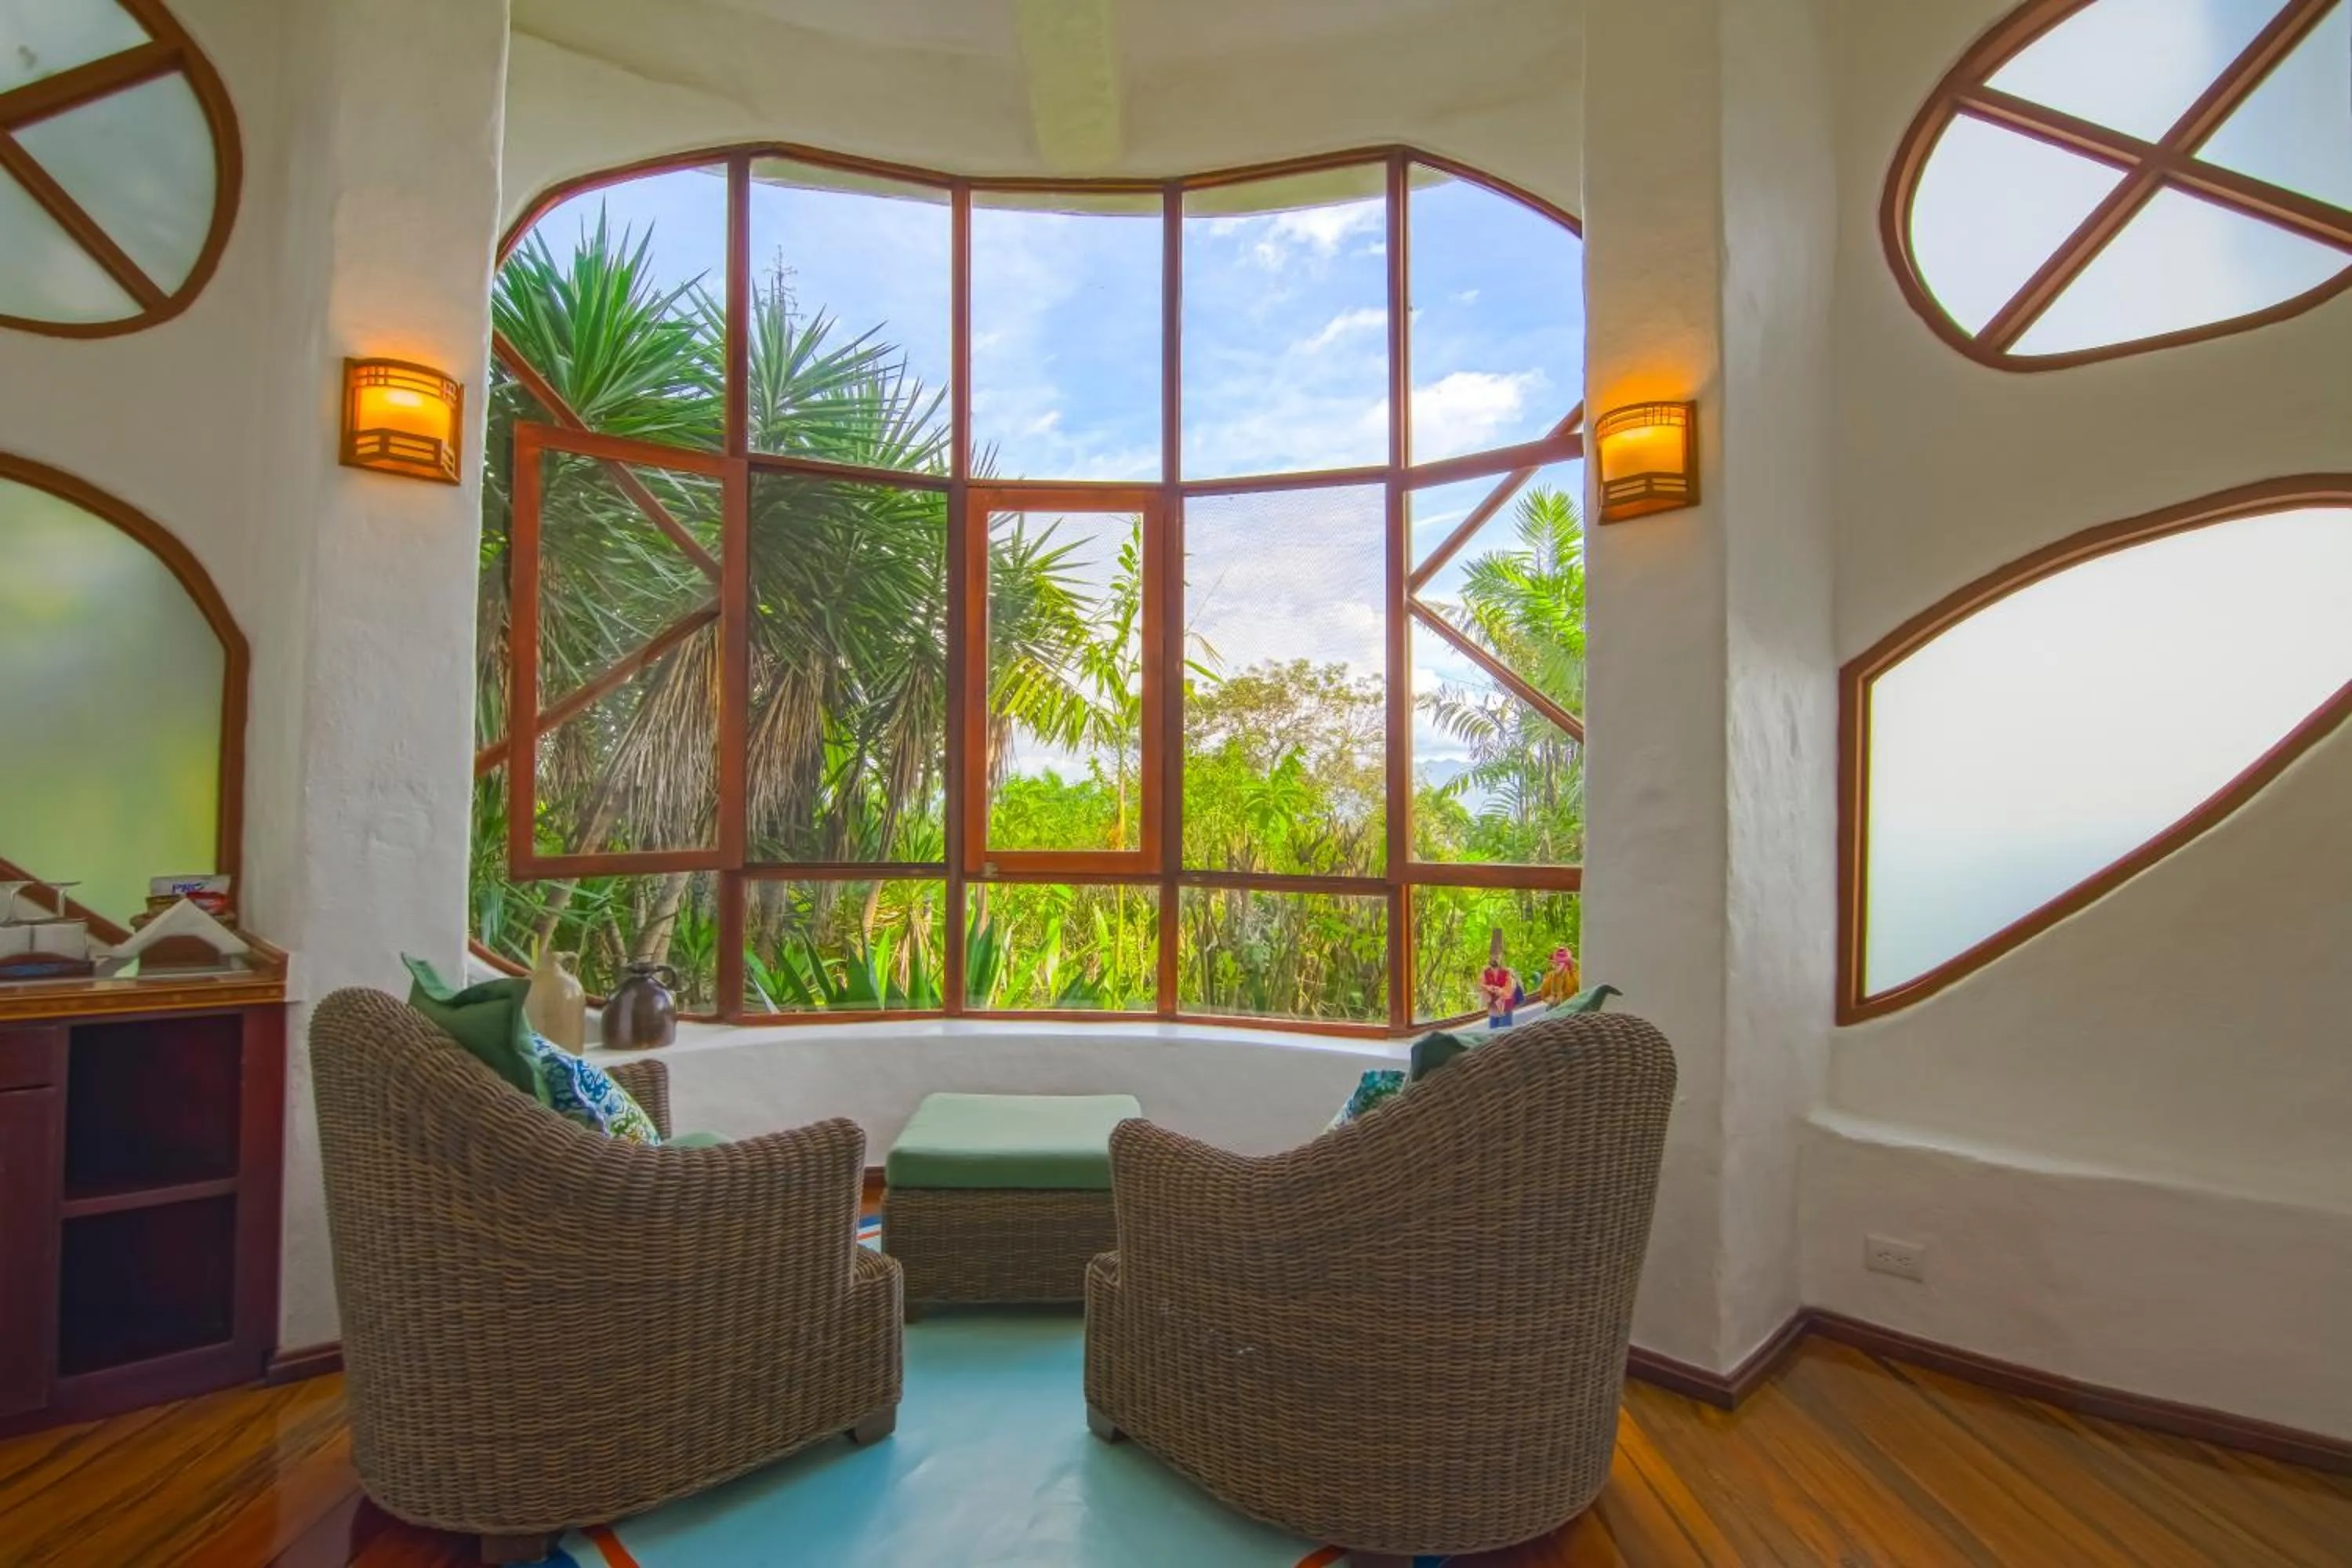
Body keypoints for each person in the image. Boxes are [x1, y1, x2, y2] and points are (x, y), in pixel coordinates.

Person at [1479, 927, 1520, 1029]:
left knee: (1504, 1032)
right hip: (1493, 1008)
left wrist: (1501, 991)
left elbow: (1510, 990)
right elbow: (1480, 985)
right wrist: (1488, 988)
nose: (1494, 958)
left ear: (1501, 956)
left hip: (1505, 1008)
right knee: (1493, 1033)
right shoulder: (1486, 972)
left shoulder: (1507, 972)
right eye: (1492, 956)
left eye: (1497, 956)